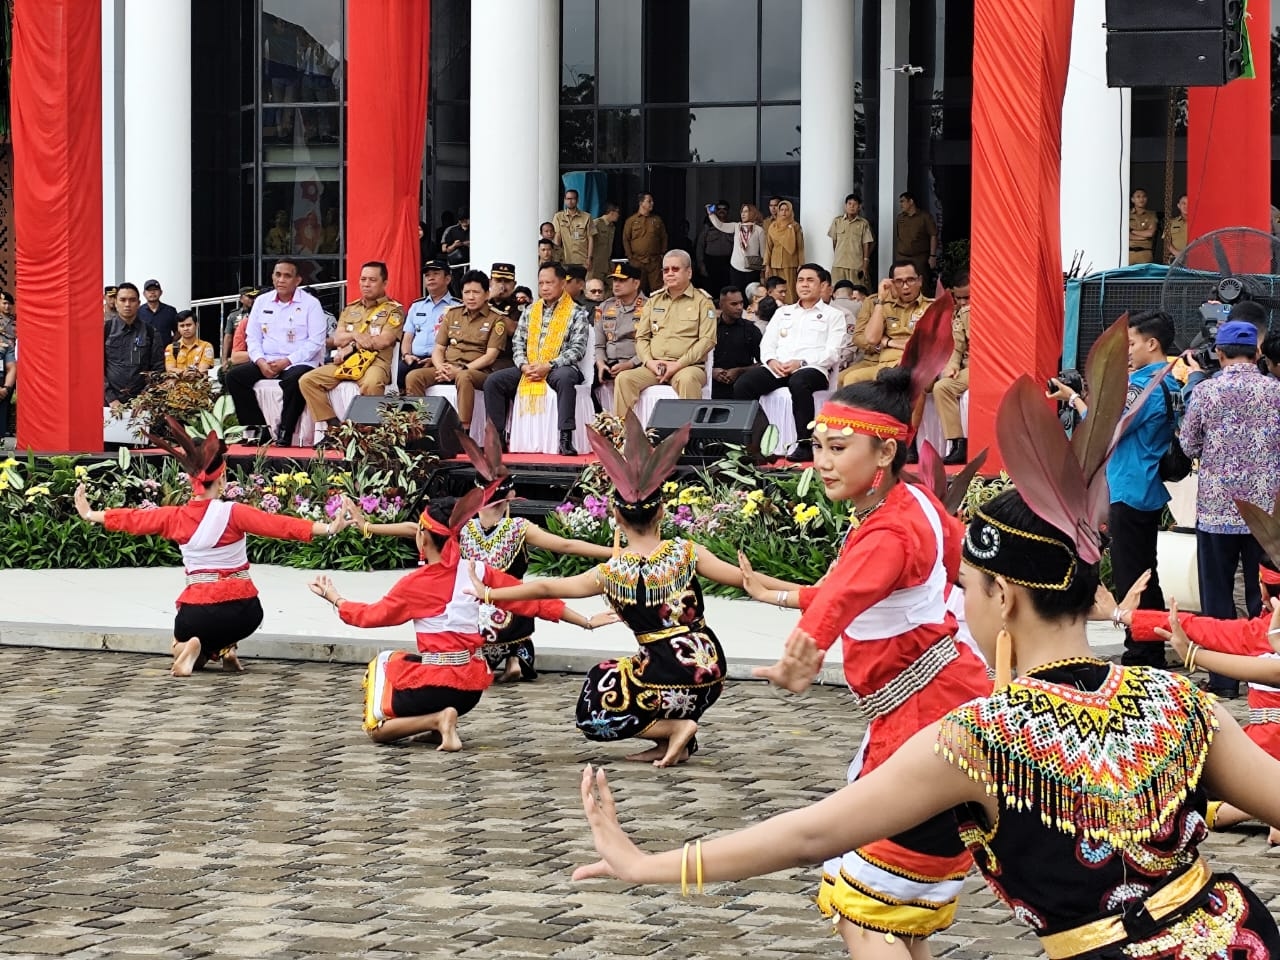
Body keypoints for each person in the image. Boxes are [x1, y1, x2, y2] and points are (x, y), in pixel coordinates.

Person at [574, 331, 1280, 960]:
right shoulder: (1178, 702)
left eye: (964, 585)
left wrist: (645, 863)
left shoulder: (978, 741)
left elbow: (804, 836)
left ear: (1001, 597)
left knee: (858, 894)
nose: (955, 600)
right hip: (1239, 934)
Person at [732, 368, 991, 950]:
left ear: (885, 450)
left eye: (838, 448)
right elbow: (904, 579)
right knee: (897, 907)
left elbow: (849, 594)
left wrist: (807, 646)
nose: (821, 462)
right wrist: (783, 594)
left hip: (924, 725)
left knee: (863, 903)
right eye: (817, 446)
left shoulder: (890, 531)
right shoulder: (918, 505)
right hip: (941, 706)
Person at [469, 413, 798, 766]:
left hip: (667, 675)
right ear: (661, 513)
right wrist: (808, 590)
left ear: (617, 517)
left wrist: (489, 594)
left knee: (597, 697)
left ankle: (673, 730)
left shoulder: (610, 572)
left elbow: (546, 586)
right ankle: (675, 739)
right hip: (709, 669)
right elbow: (749, 580)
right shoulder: (687, 553)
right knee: (636, 671)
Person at [312, 494, 613, 750]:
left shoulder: (415, 584)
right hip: (471, 690)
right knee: (403, 661)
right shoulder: (478, 571)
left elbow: (369, 617)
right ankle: (437, 721)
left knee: (378, 717)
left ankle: (438, 720)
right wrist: (585, 621)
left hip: (440, 685)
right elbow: (534, 600)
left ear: (423, 536)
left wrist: (336, 599)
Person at [73, 419, 347, 676]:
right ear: (222, 479)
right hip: (246, 613)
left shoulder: (174, 516)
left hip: (199, 613)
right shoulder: (234, 512)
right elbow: (278, 525)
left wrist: (90, 514)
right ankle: (228, 648)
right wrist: (328, 528)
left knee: (180, 642)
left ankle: (190, 648)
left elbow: (134, 519)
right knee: (225, 626)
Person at [348, 432, 613, 683]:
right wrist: (613, 552)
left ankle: (482, 661)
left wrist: (367, 527)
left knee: (474, 605)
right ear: (510, 495)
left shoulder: (462, 526)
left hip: (479, 618)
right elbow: (566, 545)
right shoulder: (520, 528)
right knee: (517, 594)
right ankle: (514, 660)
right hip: (513, 614)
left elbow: (412, 529)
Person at [1178, 319, 1280, 697]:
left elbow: (1188, 445)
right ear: (1256, 353)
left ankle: (1223, 680)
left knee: (1217, 594)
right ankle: (1262, 673)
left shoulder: (1206, 392)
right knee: (1263, 596)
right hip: (1266, 515)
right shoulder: (1275, 391)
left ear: (1218, 353)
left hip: (1217, 511)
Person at [733, 265, 842, 461]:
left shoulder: (833, 315)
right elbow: (767, 342)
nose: (804, 284)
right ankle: (753, 445)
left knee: (799, 382)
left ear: (822, 285)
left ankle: (804, 444)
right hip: (779, 368)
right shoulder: (783, 312)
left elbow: (833, 352)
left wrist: (801, 362)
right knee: (743, 384)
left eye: (810, 280)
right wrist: (771, 360)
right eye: (800, 280)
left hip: (812, 368)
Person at [483, 262, 592, 457]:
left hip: (559, 366)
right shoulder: (530, 311)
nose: (544, 287)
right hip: (530, 365)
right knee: (494, 381)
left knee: (566, 379)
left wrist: (549, 365)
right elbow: (517, 343)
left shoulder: (577, 312)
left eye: (549, 283)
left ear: (562, 284)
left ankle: (565, 437)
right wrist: (523, 365)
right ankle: (497, 438)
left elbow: (577, 350)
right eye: (541, 283)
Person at [298, 261, 404, 444]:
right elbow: (338, 339)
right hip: (346, 362)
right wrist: (355, 335)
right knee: (307, 380)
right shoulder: (350, 309)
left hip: (375, 363)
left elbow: (384, 340)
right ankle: (333, 428)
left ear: (384, 283)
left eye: (372, 280)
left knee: (371, 384)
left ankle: (369, 435)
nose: (366, 284)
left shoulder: (394, 310)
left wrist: (352, 344)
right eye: (363, 279)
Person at [225, 258, 327, 445]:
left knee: (295, 380)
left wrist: (287, 361)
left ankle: (285, 432)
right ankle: (258, 429)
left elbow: (316, 342)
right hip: (267, 359)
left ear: (297, 280)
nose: (281, 280)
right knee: (233, 377)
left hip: (299, 361)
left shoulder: (311, 304)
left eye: (287, 276)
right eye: (277, 275)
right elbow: (252, 337)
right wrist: (260, 361)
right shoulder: (262, 301)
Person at [612, 250, 717, 421]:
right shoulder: (654, 300)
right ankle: (623, 439)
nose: (669, 274)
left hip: (688, 367)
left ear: (689, 272)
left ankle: (688, 441)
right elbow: (642, 337)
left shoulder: (703, 301)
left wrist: (678, 365)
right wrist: (649, 362)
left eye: (675, 269)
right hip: (654, 367)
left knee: (688, 380)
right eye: (665, 270)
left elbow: (707, 341)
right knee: (624, 379)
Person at [404, 269, 511, 432]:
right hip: (448, 367)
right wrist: (441, 367)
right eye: (467, 292)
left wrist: (461, 369)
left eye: (476, 292)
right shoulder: (452, 314)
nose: (471, 296)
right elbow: (438, 348)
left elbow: (490, 356)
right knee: (413, 377)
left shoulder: (496, 319)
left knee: (463, 376)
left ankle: (463, 431)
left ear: (487, 294)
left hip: (477, 371)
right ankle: (420, 428)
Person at [840, 260, 933, 386]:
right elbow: (863, 337)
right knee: (844, 379)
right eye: (899, 282)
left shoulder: (931, 307)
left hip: (910, 362)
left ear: (920, 281)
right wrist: (884, 344)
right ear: (892, 283)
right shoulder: (879, 303)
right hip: (877, 359)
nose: (905, 286)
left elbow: (928, 344)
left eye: (910, 280)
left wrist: (888, 342)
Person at [928, 269, 971, 464]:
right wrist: (952, 366)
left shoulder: (988, 310)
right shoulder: (958, 314)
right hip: (965, 367)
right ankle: (956, 443)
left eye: (967, 297)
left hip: (985, 366)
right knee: (942, 386)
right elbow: (957, 345)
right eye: (958, 297)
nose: (962, 302)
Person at [399, 260, 461, 391]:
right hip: (414, 359)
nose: (430, 278)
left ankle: (421, 411)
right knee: (397, 373)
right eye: (427, 275)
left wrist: (436, 359)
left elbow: (459, 341)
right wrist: (406, 355)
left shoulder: (458, 307)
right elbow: (408, 336)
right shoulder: (416, 306)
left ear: (448, 279)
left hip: (442, 360)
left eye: (436, 273)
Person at [104, 282, 165, 409]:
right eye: (123, 300)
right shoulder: (105, 330)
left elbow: (158, 368)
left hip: (141, 405)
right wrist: (111, 399)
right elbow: (95, 368)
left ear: (138, 303)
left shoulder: (150, 332)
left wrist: (145, 398)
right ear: (115, 302)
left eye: (132, 300)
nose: (127, 304)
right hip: (109, 404)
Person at [594, 263, 646, 392]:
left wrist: (630, 364)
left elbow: (652, 345)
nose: (616, 284)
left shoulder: (648, 307)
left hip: (636, 364)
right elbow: (599, 345)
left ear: (636, 284)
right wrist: (601, 364)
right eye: (615, 280)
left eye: (622, 280)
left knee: (624, 379)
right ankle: (599, 412)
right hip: (608, 364)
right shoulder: (604, 307)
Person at [711, 286, 762, 402]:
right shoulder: (709, 329)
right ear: (721, 305)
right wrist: (711, 371)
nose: (739, 308)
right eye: (734, 304)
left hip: (742, 390)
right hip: (711, 389)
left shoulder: (751, 330)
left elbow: (763, 364)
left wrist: (739, 371)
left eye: (741, 303)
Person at [708, 202, 766, 291]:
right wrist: (711, 214)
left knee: (751, 294)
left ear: (752, 213)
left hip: (753, 267)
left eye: (746, 211)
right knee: (737, 292)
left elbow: (763, 252)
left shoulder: (759, 230)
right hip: (736, 266)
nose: (743, 214)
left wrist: (763, 272)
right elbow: (721, 225)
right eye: (742, 212)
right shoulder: (736, 226)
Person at [622, 193, 668, 293]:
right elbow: (626, 239)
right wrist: (630, 258)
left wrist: (662, 254)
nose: (652, 203)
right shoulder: (631, 221)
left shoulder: (657, 220)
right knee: (636, 289)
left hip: (654, 261)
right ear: (641, 203)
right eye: (649, 201)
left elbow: (664, 237)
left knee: (658, 290)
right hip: (637, 261)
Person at [828, 193, 875, 285]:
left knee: (857, 291)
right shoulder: (837, 221)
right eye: (849, 204)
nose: (852, 207)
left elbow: (866, 244)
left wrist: (865, 264)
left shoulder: (863, 223)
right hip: (839, 264)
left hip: (856, 265)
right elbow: (834, 242)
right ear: (845, 206)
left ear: (859, 207)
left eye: (855, 204)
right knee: (837, 290)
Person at [763, 200, 803, 303]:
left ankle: (790, 308)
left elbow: (800, 247)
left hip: (790, 262)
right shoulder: (773, 226)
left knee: (789, 288)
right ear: (778, 211)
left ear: (790, 211)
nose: (784, 212)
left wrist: (801, 264)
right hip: (775, 262)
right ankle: (775, 306)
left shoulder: (795, 226)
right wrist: (767, 265)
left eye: (786, 210)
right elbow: (768, 246)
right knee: (775, 288)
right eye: (781, 210)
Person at [892, 192, 937, 282]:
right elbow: (898, 236)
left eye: (903, 201)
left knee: (920, 283)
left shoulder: (925, 217)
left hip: (919, 258)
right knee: (902, 282)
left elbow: (933, 235)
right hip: (902, 257)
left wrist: (932, 256)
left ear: (911, 201)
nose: (901, 205)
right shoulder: (900, 218)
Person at [696, 201, 734, 295]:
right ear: (715, 211)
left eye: (724, 209)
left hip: (727, 263)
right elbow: (700, 247)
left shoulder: (733, 227)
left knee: (726, 291)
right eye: (719, 209)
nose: (721, 211)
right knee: (710, 291)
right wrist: (701, 265)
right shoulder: (708, 227)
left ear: (728, 211)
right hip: (711, 262)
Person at [553, 189, 595, 269]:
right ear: (565, 200)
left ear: (577, 200)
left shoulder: (587, 217)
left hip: (582, 259)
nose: (570, 201)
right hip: (564, 259)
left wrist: (589, 258)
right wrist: (556, 258)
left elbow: (590, 239)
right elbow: (557, 237)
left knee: (581, 281)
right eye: (568, 199)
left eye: (573, 199)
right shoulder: (558, 216)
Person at [220, 287, 257, 374]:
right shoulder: (234, 315)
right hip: (240, 353)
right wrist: (224, 359)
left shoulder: (258, 312)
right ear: (241, 299)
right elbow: (228, 337)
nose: (252, 299)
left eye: (254, 297)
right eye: (249, 297)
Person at [165, 310, 215, 375]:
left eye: (188, 325)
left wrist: (181, 372)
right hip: (177, 384)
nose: (185, 328)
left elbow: (202, 370)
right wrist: (184, 373)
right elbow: (170, 369)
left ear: (196, 325)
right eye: (182, 326)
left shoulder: (206, 346)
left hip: (199, 384)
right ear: (178, 328)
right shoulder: (170, 348)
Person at [140, 279, 180, 345]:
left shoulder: (170, 311)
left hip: (165, 352)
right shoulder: (138, 312)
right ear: (144, 293)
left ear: (161, 292)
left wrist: (171, 343)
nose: (152, 292)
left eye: (155, 289)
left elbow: (178, 331)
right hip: (145, 352)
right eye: (149, 290)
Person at [589, 203, 622, 281]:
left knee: (612, 285)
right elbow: (587, 241)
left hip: (607, 262)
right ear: (612, 212)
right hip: (596, 263)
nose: (619, 215)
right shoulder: (596, 223)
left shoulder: (612, 227)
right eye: (618, 213)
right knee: (594, 285)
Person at [1129, 188, 1157, 265]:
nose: (1141, 199)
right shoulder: (1126, 214)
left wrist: (1132, 231)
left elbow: (1150, 233)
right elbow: (1125, 235)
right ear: (1132, 199)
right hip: (1129, 254)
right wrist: (1143, 236)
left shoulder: (1151, 215)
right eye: (1138, 196)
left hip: (1145, 254)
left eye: (1144, 196)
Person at [1164, 194, 1189, 264]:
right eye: (1183, 203)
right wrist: (1177, 253)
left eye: (1189, 203)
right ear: (1178, 205)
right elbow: (1166, 241)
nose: (1186, 206)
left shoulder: (1198, 222)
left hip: (1194, 259)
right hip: (1175, 260)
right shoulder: (1171, 222)